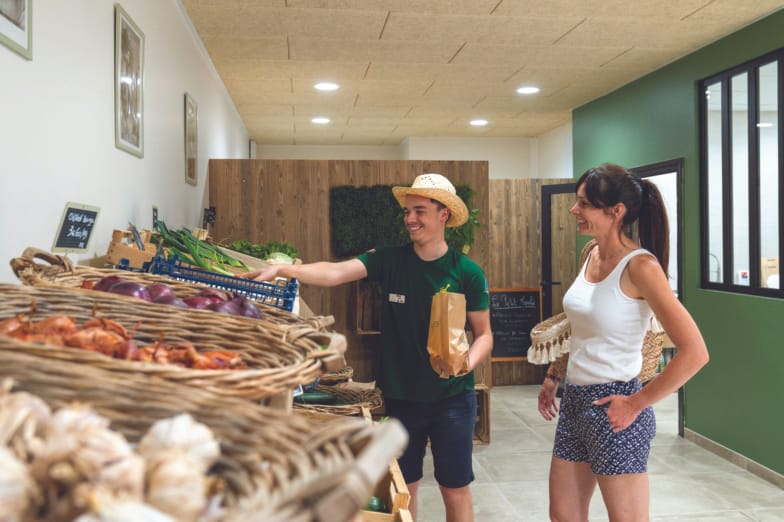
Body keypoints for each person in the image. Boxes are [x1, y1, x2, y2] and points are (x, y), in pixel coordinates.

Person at [245, 173, 493, 522]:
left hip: (452, 399)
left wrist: (466, 362)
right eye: (407, 211)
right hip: (402, 397)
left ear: (444, 216)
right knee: (404, 487)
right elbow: (335, 273)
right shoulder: (390, 260)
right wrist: (283, 269)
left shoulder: (467, 272)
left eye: (419, 211)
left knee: (455, 489)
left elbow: (484, 334)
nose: (410, 219)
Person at [537, 163, 709, 522]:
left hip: (616, 408)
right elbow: (581, 327)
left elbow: (695, 351)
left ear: (616, 212)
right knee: (563, 515)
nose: (574, 210)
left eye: (584, 204)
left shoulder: (641, 267)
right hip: (575, 403)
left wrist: (636, 404)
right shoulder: (590, 255)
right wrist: (555, 373)